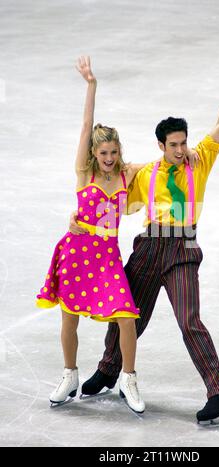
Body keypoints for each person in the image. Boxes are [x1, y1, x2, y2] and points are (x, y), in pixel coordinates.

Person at [69, 56, 219, 423]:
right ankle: (108, 369)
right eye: (174, 145)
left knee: (189, 321)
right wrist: (80, 221)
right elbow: (108, 188)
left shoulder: (201, 160)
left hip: (182, 249)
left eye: (183, 143)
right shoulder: (145, 174)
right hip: (148, 247)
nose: (181, 150)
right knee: (126, 312)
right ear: (161, 145)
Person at [36, 56, 149, 413]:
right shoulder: (84, 173)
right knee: (69, 318)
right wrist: (91, 86)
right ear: (94, 153)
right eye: (104, 152)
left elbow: (160, 164)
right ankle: (69, 374)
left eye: (114, 152)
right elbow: (86, 124)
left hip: (107, 258)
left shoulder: (126, 175)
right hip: (75, 253)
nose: (110, 157)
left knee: (127, 317)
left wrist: (186, 154)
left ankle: (128, 378)